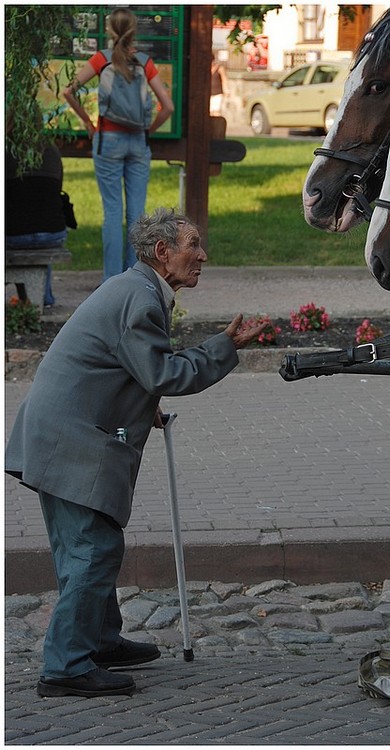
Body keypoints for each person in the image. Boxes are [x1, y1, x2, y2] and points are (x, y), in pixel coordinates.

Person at [5, 207, 267, 698]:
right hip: (70, 438)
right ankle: (65, 666)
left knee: (86, 543)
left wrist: (141, 406)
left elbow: (119, 365)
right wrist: (223, 348)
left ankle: (97, 641)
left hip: (60, 433)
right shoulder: (141, 297)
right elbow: (163, 373)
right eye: (194, 245)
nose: (203, 255)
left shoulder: (137, 288)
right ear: (163, 252)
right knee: (93, 548)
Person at [62, 8, 174, 283]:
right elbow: (167, 106)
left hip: (107, 141)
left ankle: (111, 282)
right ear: (134, 30)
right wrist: (149, 130)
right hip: (138, 141)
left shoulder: (101, 59)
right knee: (137, 213)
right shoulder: (145, 62)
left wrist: (89, 123)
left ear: (110, 31)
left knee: (112, 211)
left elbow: (68, 91)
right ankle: (135, 278)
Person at [6, 142, 69, 307]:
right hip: (53, 232)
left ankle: (32, 296)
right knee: (39, 224)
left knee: (26, 225)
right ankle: (43, 297)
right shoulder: (52, 150)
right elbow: (58, 187)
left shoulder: (7, 149)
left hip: (14, 234)